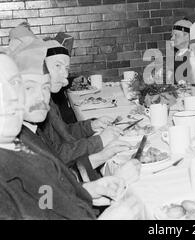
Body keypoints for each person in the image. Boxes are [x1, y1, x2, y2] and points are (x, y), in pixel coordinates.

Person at [0, 52, 143, 219]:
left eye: (14, 85)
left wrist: (87, 191)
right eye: (28, 87)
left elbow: (46, 200)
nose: (11, 98)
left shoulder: (23, 140)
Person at [36, 39, 131, 176]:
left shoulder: (48, 100)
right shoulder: (37, 110)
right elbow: (57, 154)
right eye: (58, 66)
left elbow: (64, 132)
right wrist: (99, 141)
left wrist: (91, 126)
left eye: (67, 68)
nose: (65, 75)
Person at [169, 18, 192, 83]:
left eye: (176, 35)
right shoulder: (178, 55)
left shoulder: (192, 58)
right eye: (172, 35)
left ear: (187, 36)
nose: (172, 38)